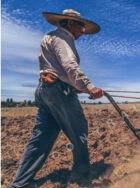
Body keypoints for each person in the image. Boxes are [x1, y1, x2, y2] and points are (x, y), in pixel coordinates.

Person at [10, 9, 104, 187]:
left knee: (41, 138)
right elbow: (69, 66)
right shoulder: (63, 39)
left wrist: (78, 88)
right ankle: (82, 177)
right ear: (70, 23)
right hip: (60, 92)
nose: (82, 32)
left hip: (45, 91)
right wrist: (90, 87)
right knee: (80, 132)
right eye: (81, 28)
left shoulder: (49, 37)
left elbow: (59, 70)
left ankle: (19, 183)